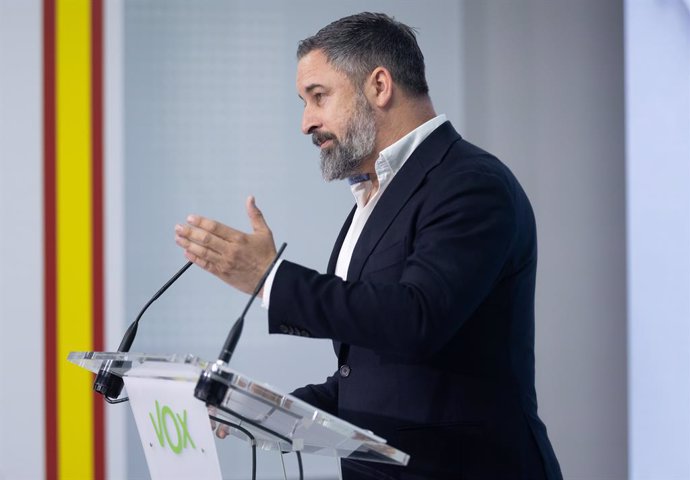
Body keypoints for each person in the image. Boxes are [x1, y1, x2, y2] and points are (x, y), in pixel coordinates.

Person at [175, 12, 562, 480]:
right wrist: (260, 409)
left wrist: (271, 280)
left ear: (379, 86)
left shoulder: (472, 184)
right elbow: (375, 373)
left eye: (318, 97)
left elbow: (416, 318)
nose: (305, 122)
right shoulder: (372, 197)